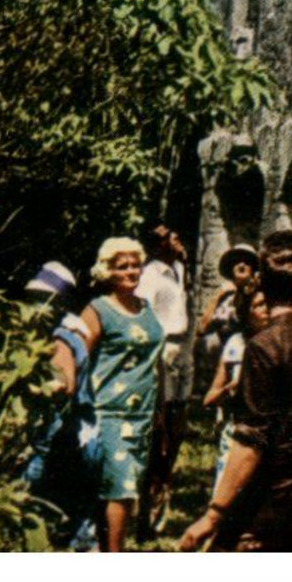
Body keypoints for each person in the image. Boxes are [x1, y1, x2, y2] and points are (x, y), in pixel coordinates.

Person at [179, 230, 292, 552]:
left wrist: (213, 516)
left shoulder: (263, 348)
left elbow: (252, 439)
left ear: (264, 284)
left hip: (269, 510)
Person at [76, 236, 166, 552]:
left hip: (142, 414)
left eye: (135, 264)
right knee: (120, 489)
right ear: (108, 271)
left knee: (126, 489)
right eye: (122, 266)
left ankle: (104, 549)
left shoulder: (146, 308)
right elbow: (77, 356)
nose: (130, 270)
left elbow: (156, 362)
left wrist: (160, 410)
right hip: (109, 413)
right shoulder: (98, 309)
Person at [22, 262, 98, 550]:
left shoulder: (60, 339)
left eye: (45, 301)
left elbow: (64, 383)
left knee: (40, 506)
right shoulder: (73, 334)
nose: (38, 308)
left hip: (62, 440)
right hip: (85, 435)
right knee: (79, 520)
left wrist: (34, 387)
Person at [136, 221, 191, 532]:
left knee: (178, 423)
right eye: (172, 236)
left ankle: (162, 489)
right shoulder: (150, 275)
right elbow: (147, 317)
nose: (178, 239)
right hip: (162, 350)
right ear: (159, 244)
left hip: (181, 349)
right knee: (161, 431)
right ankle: (150, 504)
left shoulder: (178, 270)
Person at [202, 276, 268, 494]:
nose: (266, 310)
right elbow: (209, 398)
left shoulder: (277, 344)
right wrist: (229, 389)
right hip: (236, 433)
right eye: (259, 305)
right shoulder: (235, 344)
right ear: (246, 311)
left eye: (268, 303)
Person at [197, 244, 260, 348]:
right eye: (237, 260)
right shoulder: (225, 294)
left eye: (247, 262)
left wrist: (245, 286)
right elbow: (202, 328)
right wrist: (219, 295)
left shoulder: (256, 293)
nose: (242, 264)